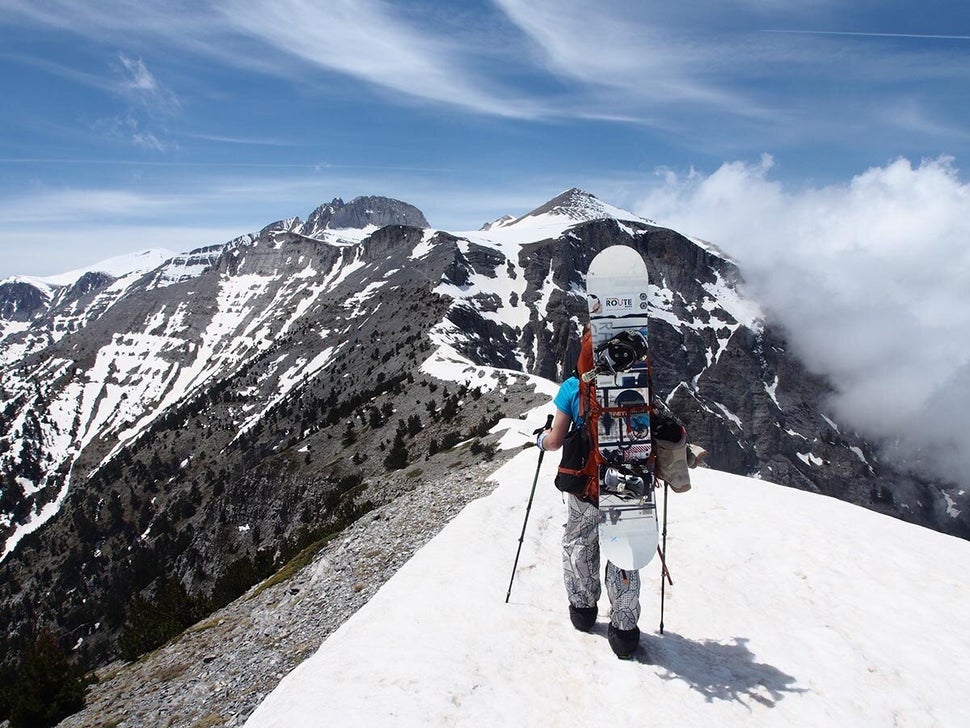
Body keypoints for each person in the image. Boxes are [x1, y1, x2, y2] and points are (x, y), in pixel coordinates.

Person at [536, 331, 696, 659]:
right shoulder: (639, 386)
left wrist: (540, 438)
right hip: (631, 484)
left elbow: (554, 441)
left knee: (579, 543)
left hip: (585, 487)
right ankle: (624, 631)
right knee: (623, 553)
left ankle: (582, 612)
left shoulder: (572, 388)